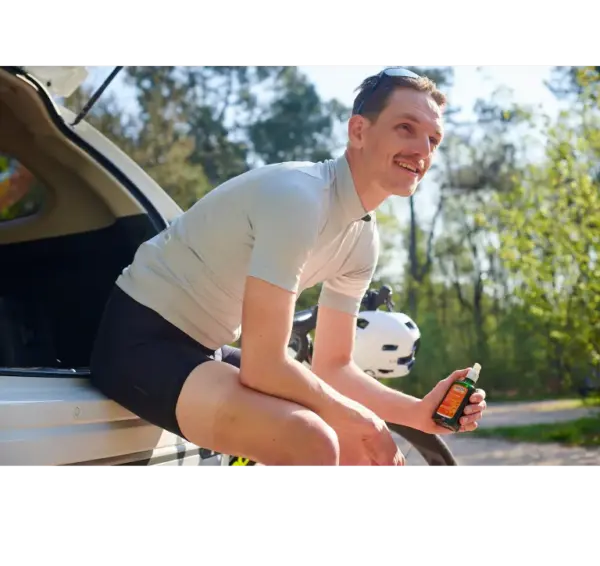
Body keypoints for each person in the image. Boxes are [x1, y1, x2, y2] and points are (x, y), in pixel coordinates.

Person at [89, 67, 488, 468]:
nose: (422, 150)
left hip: (207, 348)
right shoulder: (300, 197)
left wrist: (418, 412)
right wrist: (364, 420)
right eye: (406, 128)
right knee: (313, 438)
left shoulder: (363, 240)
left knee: (358, 445)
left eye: (433, 139)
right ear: (358, 131)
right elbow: (264, 366)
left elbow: (334, 367)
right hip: (140, 342)